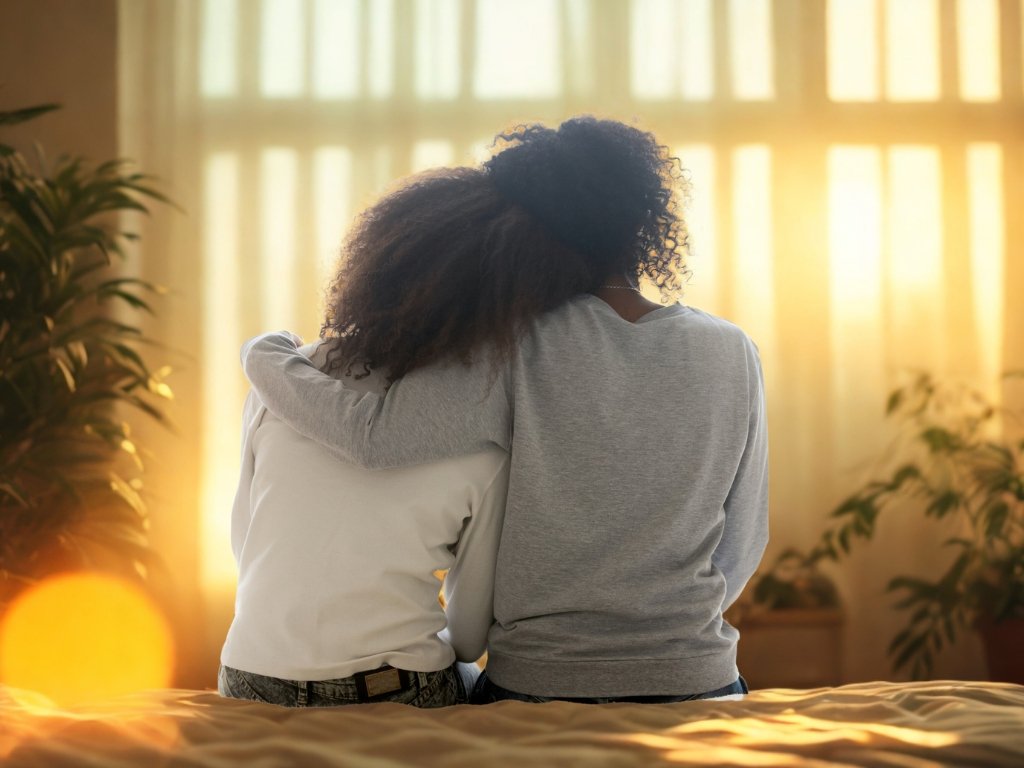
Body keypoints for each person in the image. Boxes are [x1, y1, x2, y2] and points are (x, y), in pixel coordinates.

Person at [241, 116, 769, 703]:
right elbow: (742, 545)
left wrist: (265, 358)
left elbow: (376, 439)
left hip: (542, 686)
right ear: (645, 221)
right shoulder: (733, 350)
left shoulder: (512, 343)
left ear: (522, 228)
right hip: (700, 679)